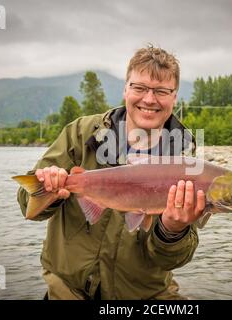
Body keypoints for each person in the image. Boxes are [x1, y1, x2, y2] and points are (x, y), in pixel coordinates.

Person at [17, 45, 206, 300]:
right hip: (67, 290)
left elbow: (170, 259)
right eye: (139, 88)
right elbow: (27, 204)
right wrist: (49, 188)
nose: (149, 99)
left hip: (143, 296)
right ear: (125, 89)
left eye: (161, 91)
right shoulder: (82, 133)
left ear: (174, 97)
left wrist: (173, 229)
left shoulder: (189, 166)